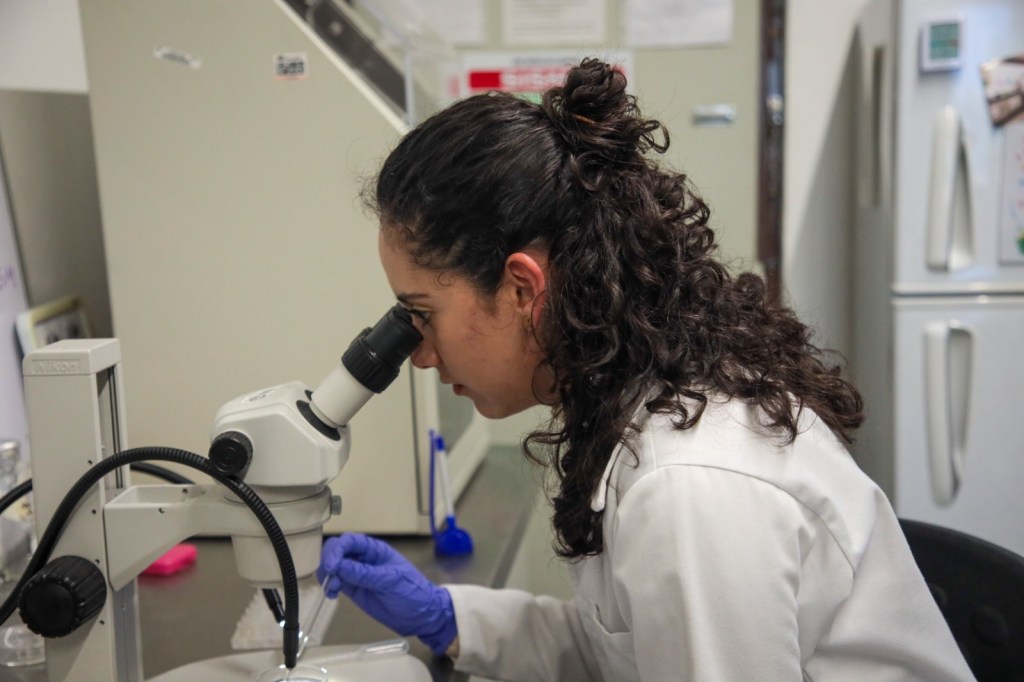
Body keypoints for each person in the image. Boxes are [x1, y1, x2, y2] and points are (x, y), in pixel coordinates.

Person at [318, 58, 974, 681]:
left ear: (522, 288)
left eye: (421, 313)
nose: (420, 354)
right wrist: (450, 618)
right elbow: (623, 652)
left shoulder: (687, 485)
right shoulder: (636, 402)